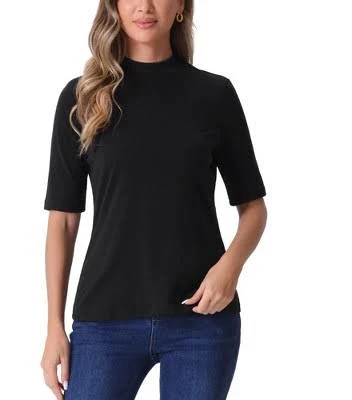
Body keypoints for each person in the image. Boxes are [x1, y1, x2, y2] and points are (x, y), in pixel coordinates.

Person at [40, 0, 267, 399]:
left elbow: (253, 208)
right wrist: (54, 326)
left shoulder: (214, 95)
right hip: (104, 321)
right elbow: (63, 221)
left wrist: (229, 269)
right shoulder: (82, 98)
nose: (144, 6)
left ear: (180, 6)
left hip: (201, 323)